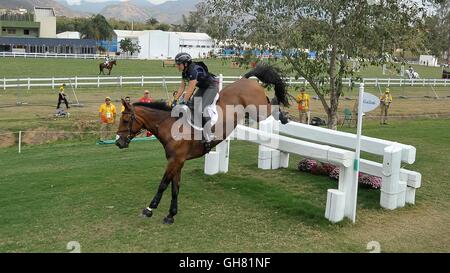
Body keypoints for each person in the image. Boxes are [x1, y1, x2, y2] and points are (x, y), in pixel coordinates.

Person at [172, 52, 218, 146]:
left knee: (201, 109)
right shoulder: (184, 72)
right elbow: (182, 87)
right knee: (192, 105)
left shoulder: (194, 70)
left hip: (211, 87)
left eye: (178, 64)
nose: (177, 66)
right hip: (203, 87)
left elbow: (191, 88)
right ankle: (197, 129)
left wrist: (183, 101)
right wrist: (175, 100)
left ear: (185, 64)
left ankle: (210, 134)